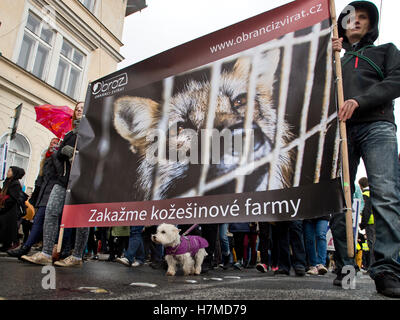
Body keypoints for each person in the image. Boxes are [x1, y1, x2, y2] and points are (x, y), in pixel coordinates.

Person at [332, 1, 400, 297]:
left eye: (362, 17)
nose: (356, 21)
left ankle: (386, 270)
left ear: (371, 24)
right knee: (339, 197)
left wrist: (361, 100)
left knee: (385, 194)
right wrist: (328, 55)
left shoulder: (385, 51)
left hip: (377, 125)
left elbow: (396, 80)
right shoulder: (336, 59)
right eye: (350, 18)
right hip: (341, 131)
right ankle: (345, 265)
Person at [21, 102, 90, 267]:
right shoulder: (68, 134)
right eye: (77, 109)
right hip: (63, 181)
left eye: (82, 108)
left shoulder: (90, 132)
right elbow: (59, 160)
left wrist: (77, 155)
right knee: (51, 211)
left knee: (81, 220)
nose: (79, 110)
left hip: (82, 181)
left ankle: (77, 256)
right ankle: (45, 253)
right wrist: (61, 152)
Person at [7, 138, 60, 258]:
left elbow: (59, 172)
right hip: (43, 195)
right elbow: (40, 179)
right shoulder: (46, 159)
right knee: (38, 221)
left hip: (53, 194)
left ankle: (45, 249)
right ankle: (28, 247)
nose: (53, 144)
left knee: (46, 222)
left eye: (56, 143)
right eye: (52, 142)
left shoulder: (58, 156)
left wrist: (56, 154)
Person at [0, 166, 26, 251]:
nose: (7, 172)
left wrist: (4, 201)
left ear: (14, 173)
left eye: (9, 171)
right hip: (4, 207)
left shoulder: (15, 183)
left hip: (9, 209)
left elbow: (13, 198)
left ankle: (6, 245)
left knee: (6, 227)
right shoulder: (7, 182)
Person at [358, 176, 375, 269]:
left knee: (371, 244)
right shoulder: (373, 192)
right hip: (376, 222)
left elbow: (366, 210)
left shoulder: (365, 194)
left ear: (360, 186)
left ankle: (372, 266)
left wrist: (362, 224)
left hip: (370, 222)